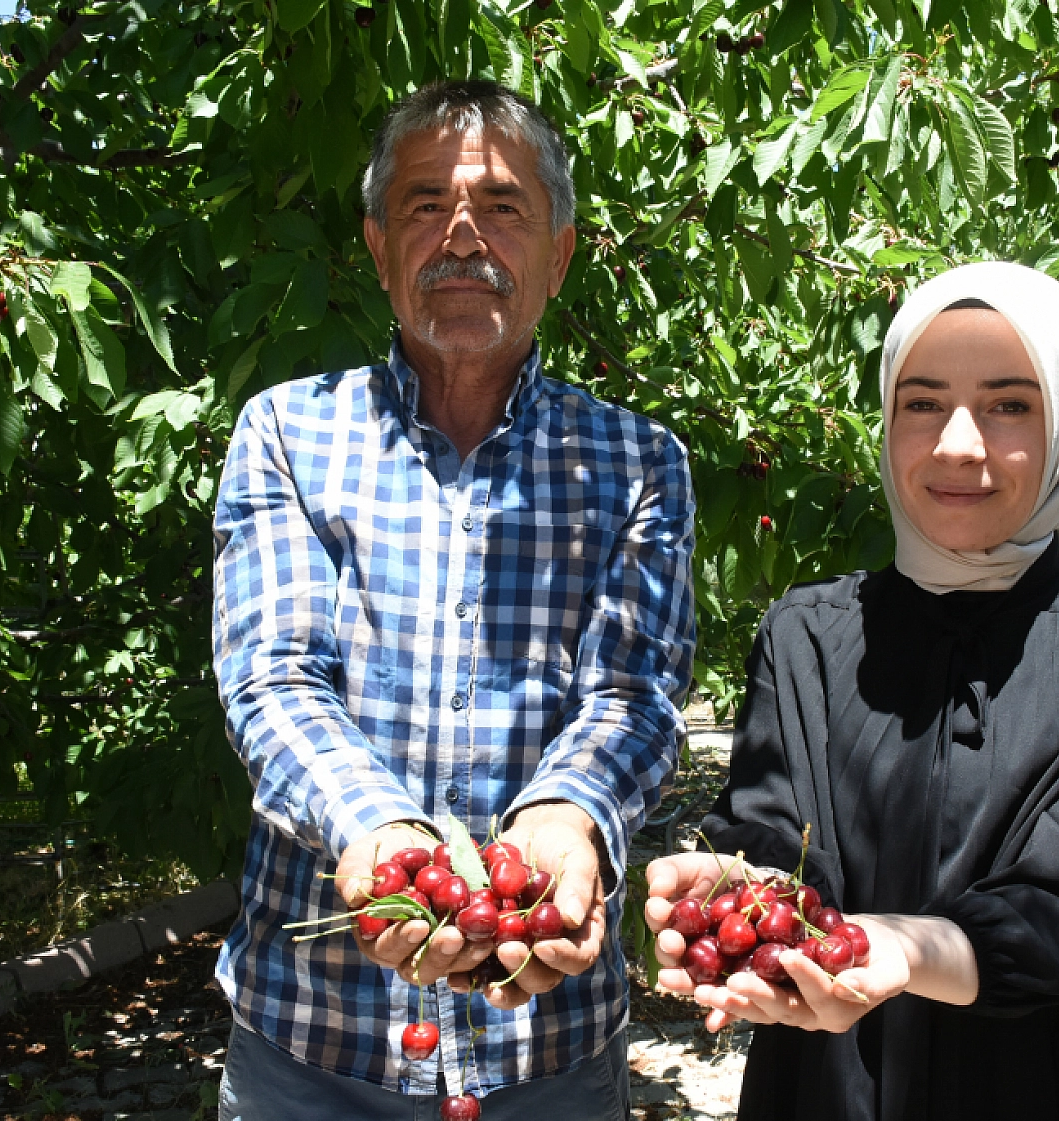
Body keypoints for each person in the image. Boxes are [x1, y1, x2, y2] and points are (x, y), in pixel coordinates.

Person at [211, 80, 696, 1119]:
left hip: (547, 1045)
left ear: (558, 255)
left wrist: (567, 817)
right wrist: (376, 830)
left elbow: (635, 693)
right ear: (379, 246)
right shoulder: (287, 432)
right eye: (426, 204)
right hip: (315, 1038)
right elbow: (274, 676)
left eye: (503, 207)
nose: (463, 235)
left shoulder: (638, 463)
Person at [644, 262, 1059, 1121]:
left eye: (1009, 404)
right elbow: (778, 831)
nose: (957, 443)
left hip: (1054, 1088)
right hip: (826, 1090)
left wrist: (908, 950)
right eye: (922, 402)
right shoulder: (807, 633)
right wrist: (746, 883)